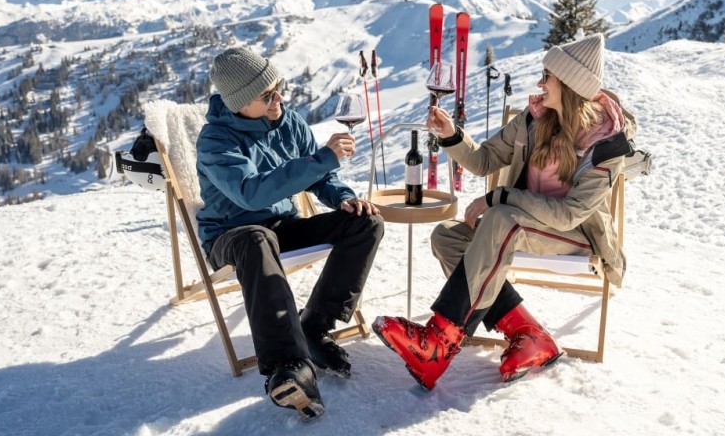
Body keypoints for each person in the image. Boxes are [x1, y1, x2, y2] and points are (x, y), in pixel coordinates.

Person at [372, 33, 634, 390]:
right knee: (448, 237)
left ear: (570, 85)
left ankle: (437, 343)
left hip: (572, 235)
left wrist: (501, 197)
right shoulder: (534, 120)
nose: (540, 83)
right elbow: (484, 160)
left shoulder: (605, 143)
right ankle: (528, 334)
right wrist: (451, 135)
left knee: (499, 218)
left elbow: (569, 215)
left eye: (548, 77)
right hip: (520, 226)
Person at [196, 46, 384, 421]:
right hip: (233, 236)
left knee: (366, 222)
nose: (278, 99)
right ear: (239, 103)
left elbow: (321, 176)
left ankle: (314, 327)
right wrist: (322, 158)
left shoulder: (288, 122)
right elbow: (252, 193)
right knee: (256, 238)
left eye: (278, 87)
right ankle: (289, 365)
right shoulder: (216, 141)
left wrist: (343, 197)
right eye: (267, 95)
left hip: (282, 227)